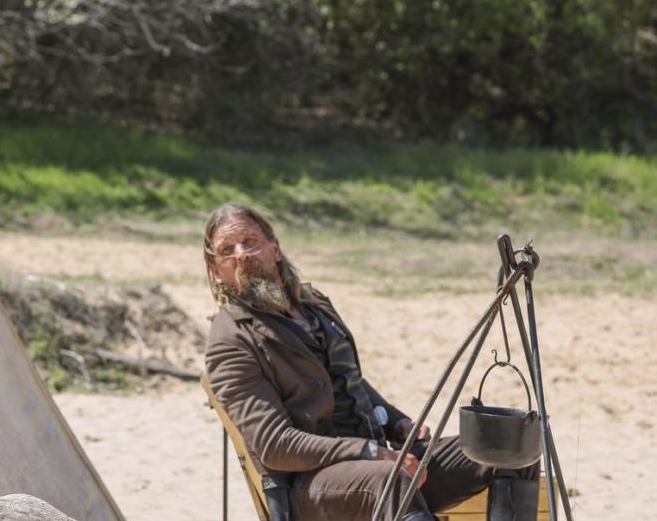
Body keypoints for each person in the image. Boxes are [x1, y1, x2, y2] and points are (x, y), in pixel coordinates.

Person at [202, 204, 538, 521]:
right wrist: (370, 453)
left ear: (275, 249)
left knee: (507, 446)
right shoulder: (231, 338)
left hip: (377, 464)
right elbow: (275, 445)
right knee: (389, 479)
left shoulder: (313, 303)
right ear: (216, 272)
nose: (241, 255)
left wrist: (396, 423)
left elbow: (348, 380)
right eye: (227, 250)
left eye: (250, 242)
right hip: (311, 486)